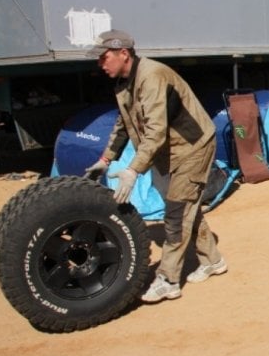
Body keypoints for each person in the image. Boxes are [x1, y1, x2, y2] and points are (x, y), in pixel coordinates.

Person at [85, 30, 228, 303]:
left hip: (191, 147)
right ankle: (213, 259)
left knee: (176, 213)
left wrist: (133, 169)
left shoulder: (152, 75)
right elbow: (124, 124)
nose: (100, 64)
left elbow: (156, 131)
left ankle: (168, 280)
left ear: (123, 53)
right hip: (165, 152)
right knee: (185, 208)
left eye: (104, 58)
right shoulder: (123, 82)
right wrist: (105, 160)